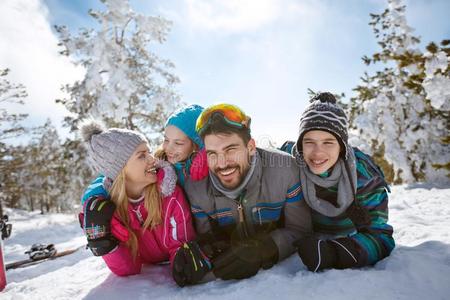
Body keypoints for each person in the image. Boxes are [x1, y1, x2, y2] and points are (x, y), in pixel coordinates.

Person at [171, 103, 312, 286]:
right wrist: (200, 252)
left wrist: (266, 249)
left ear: (251, 147)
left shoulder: (285, 172)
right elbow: (204, 237)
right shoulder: (196, 189)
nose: (222, 164)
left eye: (230, 150)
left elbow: (301, 229)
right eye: (213, 153)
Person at [283, 92, 395, 272]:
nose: (317, 153)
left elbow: (381, 238)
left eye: (328, 142)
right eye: (309, 142)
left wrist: (334, 253)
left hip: (344, 235)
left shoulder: (364, 176)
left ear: (342, 146)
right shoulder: (288, 162)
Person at [79, 121, 195, 278]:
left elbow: (181, 244)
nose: (152, 159)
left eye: (149, 152)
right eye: (142, 156)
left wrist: (183, 263)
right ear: (120, 170)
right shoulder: (110, 210)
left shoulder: (168, 192)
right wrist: (104, 242)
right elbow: (128, 269)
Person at [155, 104, 208, 186]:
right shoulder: (158, 167)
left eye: (178, 143)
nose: (169, 148)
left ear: (196, 145)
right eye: (166, 140)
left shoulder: (209, 170)